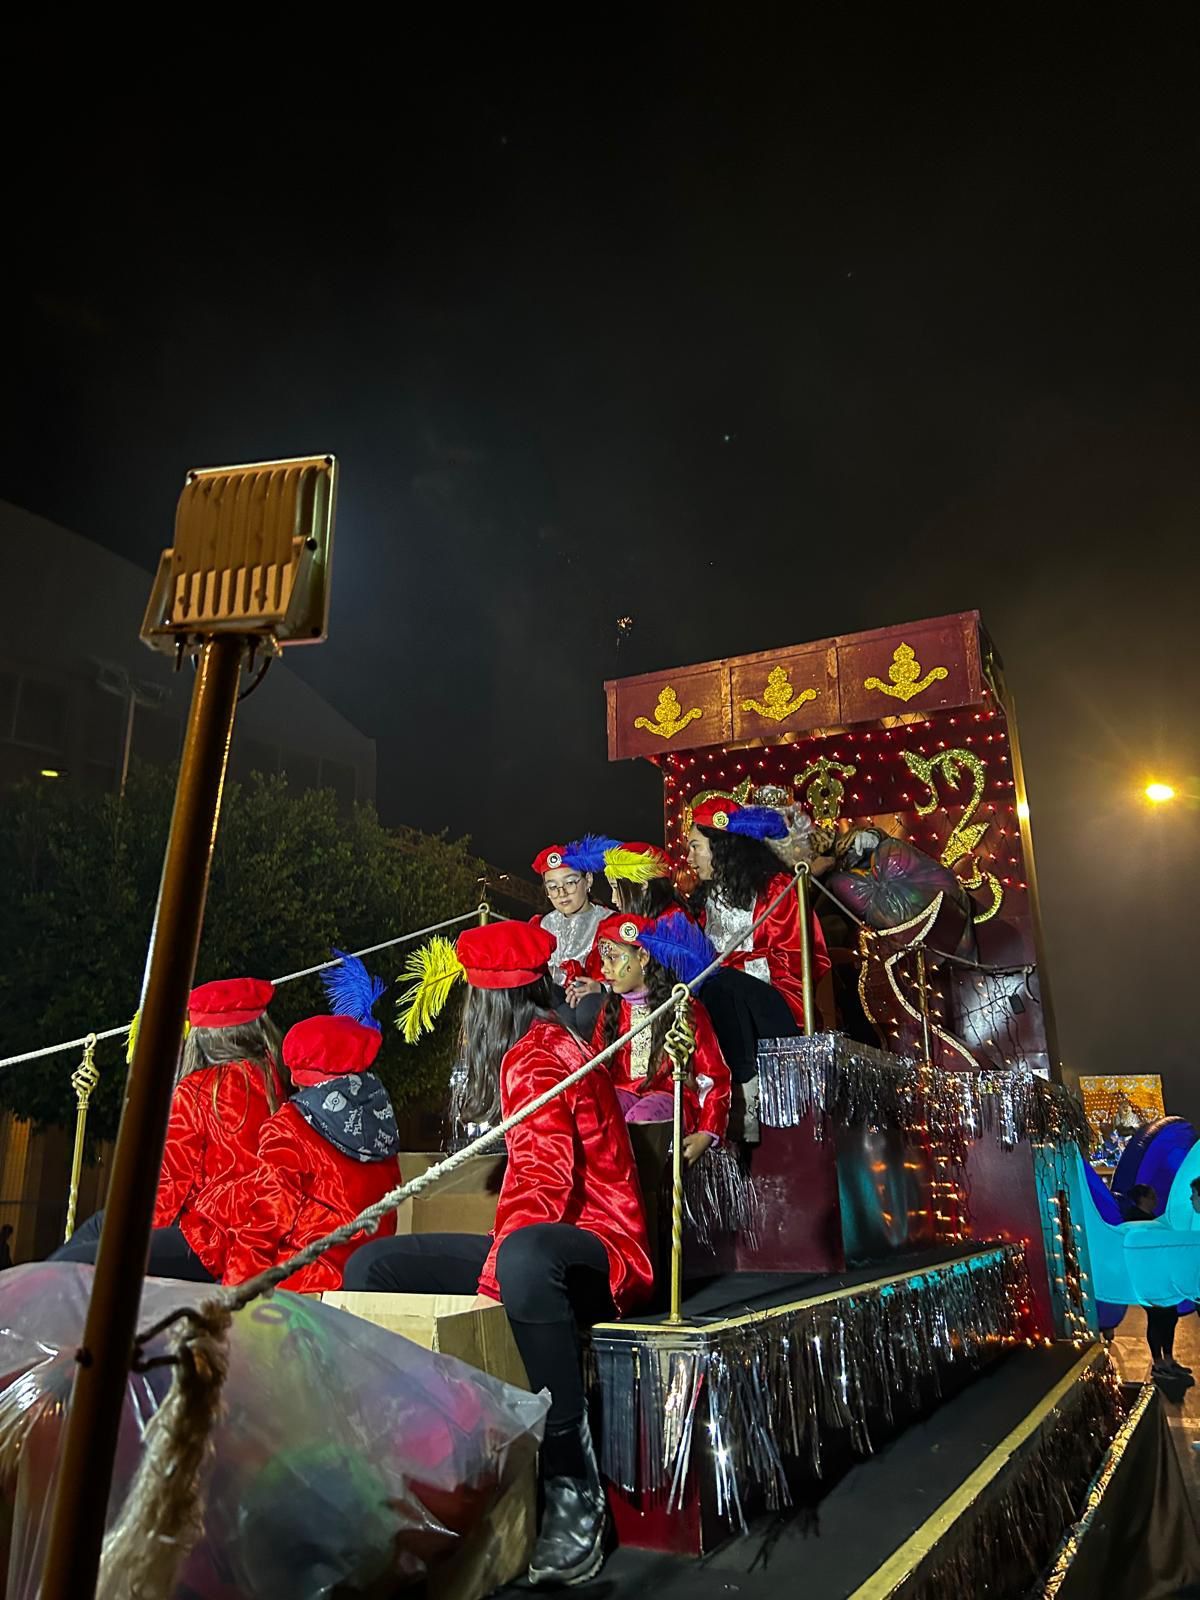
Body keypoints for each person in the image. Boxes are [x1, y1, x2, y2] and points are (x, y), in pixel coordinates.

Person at [350, 920, 652, 1587]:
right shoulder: (532, 1045)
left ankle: (573, 1479)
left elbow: (545, 1188)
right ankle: (415, 1450)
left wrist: (489, 1284)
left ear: (487, 1006)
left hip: (602, 1245)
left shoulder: (538, 1056)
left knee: (519, 1259)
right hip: (545, 1232)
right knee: (375, 1267)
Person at [53, 977, 285, 1281]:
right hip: (259, 1234)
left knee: (71, 1263)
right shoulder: (273, 1083)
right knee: (100, 1224)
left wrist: (134, 1236)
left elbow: (169, 1183)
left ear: (205, 1038)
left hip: (212, 1239)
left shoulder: (198, 1090)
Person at [609, 840, 800, 1134]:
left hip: (690, 1010)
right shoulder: (631, 924)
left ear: (642, 887)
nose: (611, 898)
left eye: (615, 887)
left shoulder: (672, 921)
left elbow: (677, 981)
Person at [202, 1013, 402, 1292]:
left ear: (298, 1073)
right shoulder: (380, 1117)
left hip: (305, 1282)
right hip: (364, 1276)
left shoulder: (290, 1125)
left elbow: (267, 1218)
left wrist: (234, 1292)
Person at [593, 911, 730, 1161]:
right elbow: (595, 1070)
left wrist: (707, 1133)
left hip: (671, 1100)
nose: (604, 969)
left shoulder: (683, 1008)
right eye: (603, 960)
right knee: (599, 1112)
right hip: (623, 1093)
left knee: (641, 1121)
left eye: (613, 959)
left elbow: (714, 1077)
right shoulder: (610, 1010)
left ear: (643, 957)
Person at [687, 798, 830, 1031]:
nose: (690, 859)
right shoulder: (703, 900)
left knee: (720, 986)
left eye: (695, 847)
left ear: (721, 846)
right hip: (719, 1003)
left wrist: (724, 969)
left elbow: (794, 961)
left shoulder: (775, 890)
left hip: (776, 1005)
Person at [531, 836, 663, 1037]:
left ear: (588, 880)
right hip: (556, 999)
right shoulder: (540, 925)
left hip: (596, 999)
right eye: (552, 887)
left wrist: (601, 987)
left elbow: (630, 969)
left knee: (585, 1011)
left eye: (570, 883)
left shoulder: (610, 922)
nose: (562, 893)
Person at [1123, 1183, 1192, 1382]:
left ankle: (1168, 1360)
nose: (1156, 1199)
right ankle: (1159, 1362)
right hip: (1148, 1281)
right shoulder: (1136, 1220)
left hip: (1160, 1278)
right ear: (1143, 1198)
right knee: (1158, 1318)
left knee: (1169, 1317)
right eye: (1152, 1195)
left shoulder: (1150, 1219)